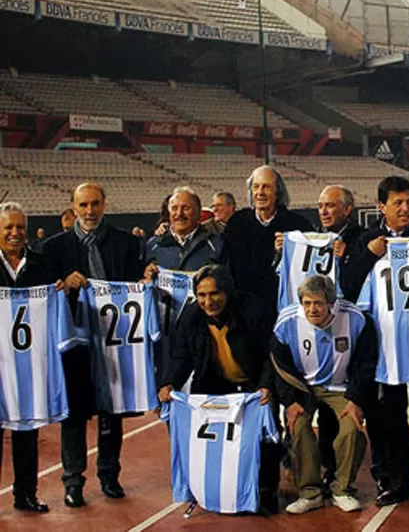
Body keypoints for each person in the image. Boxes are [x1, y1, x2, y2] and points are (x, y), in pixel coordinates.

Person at [340, 176, 409, 509]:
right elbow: (348, 290)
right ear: (381, 207)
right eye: (397, 203)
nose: (405, 209)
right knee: (390, 421)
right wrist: (366, 256)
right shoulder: (369, 242)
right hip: (383, 351)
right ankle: (397, 482)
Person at [43, 182, 143, 508]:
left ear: (104, 204)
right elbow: (44, 295)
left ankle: (109, 475)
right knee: (73, 416)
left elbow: (136, 284)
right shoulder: (53, 248)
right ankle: (73, 481)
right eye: (83, 205)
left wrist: (145, 278)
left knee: (111, 413)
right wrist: (63, 287)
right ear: (73, 207)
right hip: (74, 346)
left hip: (115, 341)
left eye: (95, 204)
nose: (89, 211)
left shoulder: (127, 243)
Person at [157, 264, 280, 513]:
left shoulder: (254, 311)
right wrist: (169, 383)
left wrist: (266, 386)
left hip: (254, 384)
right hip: (214, 382)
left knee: (263, 439)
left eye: (214, 293)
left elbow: (271, 354)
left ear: (227, 291)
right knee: (205, 435)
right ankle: (212, 486)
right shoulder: (191, 317)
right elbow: (182, 356)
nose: (208, 301)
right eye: (202, 295)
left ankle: (267, 489)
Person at [271, 275, 376, 514]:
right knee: (298, 427)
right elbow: (280, 366)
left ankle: (342, 490)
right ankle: (310, 493)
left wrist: (356, 399)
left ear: (331, 302)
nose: (312, 309)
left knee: (352, 428)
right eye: (307, 303)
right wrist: (289, 403)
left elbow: (366, 362)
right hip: (303, 388)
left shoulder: (356, 319)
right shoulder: (286, 322)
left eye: (318, 303)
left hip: (341, 386)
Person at [0, 202, 55, 513]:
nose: (15, 233)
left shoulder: (40, 263)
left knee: (26, 431)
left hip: (27, 364)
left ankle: (26, 494)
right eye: (8, 227)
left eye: (20, 227)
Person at [220, 166, 313, 308]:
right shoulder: (236, 223)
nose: (260, 193)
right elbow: (226, 266)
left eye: (267, 187)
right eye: (256, 187)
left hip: (285, 307)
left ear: (278, 193)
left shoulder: (298, 225)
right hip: (243, 310)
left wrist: (286, 252)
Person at [143, 187, 223, 272]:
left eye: (185, 208)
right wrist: (146, 277)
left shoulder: (216, 244)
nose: (179, 214)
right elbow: (140, 279)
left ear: (199, 212)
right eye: (174, 208)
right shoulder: (153, 245)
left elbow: (227, 281)